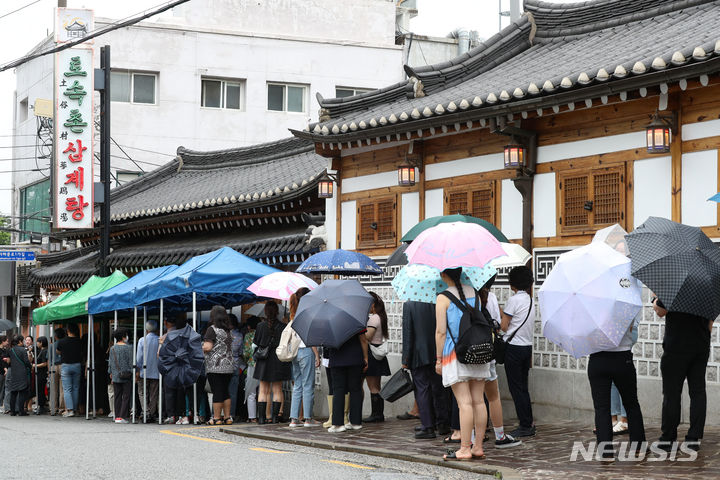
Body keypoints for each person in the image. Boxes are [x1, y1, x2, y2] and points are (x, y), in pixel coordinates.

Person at [436, 267, 490, 461]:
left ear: (443, 275)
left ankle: (464, 449)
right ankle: (478, 447)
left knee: (464, 403)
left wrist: (438, 359)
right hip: (476, 351)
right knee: (478, 401)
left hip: (455, 353)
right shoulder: (474, 292)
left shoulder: (442, 298)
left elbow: (441, 333)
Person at [654, 297, 712, 451]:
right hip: (700, 345)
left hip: (676, 346)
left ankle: (668, 439)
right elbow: (710, 324)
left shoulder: (674, 286)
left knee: (671, 393)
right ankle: (693, 439)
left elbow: (660, 311)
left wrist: (655, 298)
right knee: (698, 392)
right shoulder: (708, 290)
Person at [402, 300, 450, 439]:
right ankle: (442, 424)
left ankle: (428, 426)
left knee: (422, 389)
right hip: (439, 351)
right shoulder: (440, 301)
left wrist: (405, 359)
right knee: (440, 388)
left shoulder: (410, 304)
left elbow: (408, 332)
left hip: (418, 353)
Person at [500, 266, 536, 438]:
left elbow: (504, 326)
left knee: (516, 388)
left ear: (513, 283)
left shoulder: (514, 300)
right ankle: (528, 422)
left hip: (513, 348)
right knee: (523, 387)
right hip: (526, 347)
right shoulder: (530, 300)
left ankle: (525, 425)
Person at [253, 301, 292, 424]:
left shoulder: (260, 326)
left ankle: (261, 418)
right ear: (277, 312)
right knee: (277, 390)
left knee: (263, 390)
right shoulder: (282, 326)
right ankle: (275, 418)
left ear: (265, 312)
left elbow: (256, 344)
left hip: (263, 361)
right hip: (278, 360)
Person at [288, 288, 321, 428]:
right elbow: (310, 338)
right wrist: (317, 355)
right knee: (308, 385)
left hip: (295, 352)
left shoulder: (293, 315)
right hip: (306, 351)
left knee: (298, 386)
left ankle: (294, 419)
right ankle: (308, 418)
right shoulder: (307, 314)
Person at [327, 329, 368, 433]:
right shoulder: (355, 319)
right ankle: (356, 422)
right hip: (355, 358)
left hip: (337, 358)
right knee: (356, 389)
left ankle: (338, 424)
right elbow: (363, 340)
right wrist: (366, 357)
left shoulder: (330, 321)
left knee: (338, 390)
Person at [203, 306, 236, 425]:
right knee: (225, 391)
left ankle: (216, 418)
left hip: (215, 366)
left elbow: (208, 347)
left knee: (217, 391)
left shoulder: (212, 329)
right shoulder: (228, 331)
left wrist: (199, 347)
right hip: (229, 366)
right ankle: (227, 417)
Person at [363, 292, 391, 423]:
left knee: (373, 386)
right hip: (378, 353)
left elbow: (368, 336)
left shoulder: (374, 318)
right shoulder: (381, 317)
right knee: (377, 386)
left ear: (373, 304)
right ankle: (379, 413)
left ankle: (376, 414)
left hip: (372, 353)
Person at [56, 323, 83, 418]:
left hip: (66, 366)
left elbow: (58, 351)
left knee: (67, 389)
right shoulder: (79, 341)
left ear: (68, 331)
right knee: (76, 388)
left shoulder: (62, 341)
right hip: (77, 365)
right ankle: (75, 409)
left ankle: (70, 410)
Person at [136, 320, 160, 423]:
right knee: (154, 394)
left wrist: (138, 369)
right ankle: (152, 413)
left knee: (142, 392)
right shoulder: (159, 340)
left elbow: (139, 358)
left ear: (146, 330)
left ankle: (145, 412)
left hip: (143, 371)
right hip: (156, 371)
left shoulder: (142, 340)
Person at [108, 329, 133, 423]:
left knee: (117, 396)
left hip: (115, 375)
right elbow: (131, 362)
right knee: (126, 396)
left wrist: (110, 373)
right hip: (127, 375)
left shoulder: (112, 348)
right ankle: (122, 416)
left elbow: (110, 363)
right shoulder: (129, 348)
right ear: (123, 336)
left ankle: (117, 416)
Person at [242, 316, 260, 422]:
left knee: (251, 392)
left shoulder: (248, 336)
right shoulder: (262, 333)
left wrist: (246, 360)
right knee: (264, 391)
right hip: (263, 365)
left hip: (252, 364)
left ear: (249, 326)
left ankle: (252, 417)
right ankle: (266, 415)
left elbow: (246, 353)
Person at [6, 335, 30, 416]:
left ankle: (12, 411)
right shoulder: (23, 350)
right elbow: (26, 362)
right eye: (23, 340)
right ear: (20, 341)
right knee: (22, 392)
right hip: (22, 373)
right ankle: (21, 411)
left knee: (13, 392)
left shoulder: (11, 350)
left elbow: (9, 362)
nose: (23, 342)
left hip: (14, 373)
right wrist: (30, 366)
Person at [49, 328, 66, 416]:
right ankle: (62, 408)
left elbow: (49, 358)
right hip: (63, 365)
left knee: (53, 388)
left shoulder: (51, 345)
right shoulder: (65, 343)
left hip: (53, 366)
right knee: (62, 389)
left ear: (55, 336)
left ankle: (53, 408)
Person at [34, 337, 49, 415]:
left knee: (41, 390)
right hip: (40, 373)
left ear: (41, 343)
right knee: (40, 389)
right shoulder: (41, 351)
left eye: (37, 342)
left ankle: (42, 406)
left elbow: (44, 363)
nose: (37, 344)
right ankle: (41, 405)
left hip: (42, 374)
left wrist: (35, 365)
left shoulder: (44, 351)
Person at [0, 335, 8, 413]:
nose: (7, 342)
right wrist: (5, 369)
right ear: (3, 341)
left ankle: (1, 404)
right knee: (1, 388)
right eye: (6, 341)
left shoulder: (5, 350)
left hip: (4, 372)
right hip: (1, 371)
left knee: (2, 389)